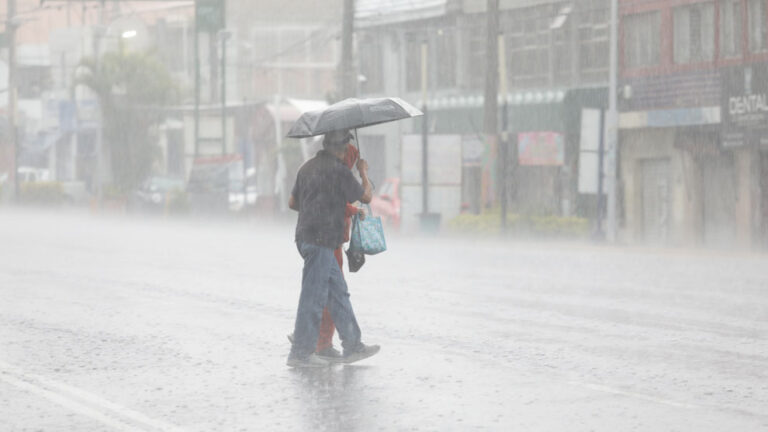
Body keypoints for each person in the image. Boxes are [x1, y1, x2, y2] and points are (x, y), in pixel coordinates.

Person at [286, 130, 380, 367]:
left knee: (338, 293)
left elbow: (292, 203)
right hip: (321, 242)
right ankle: (300, 354)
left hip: (307, 238)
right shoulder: (338, 171)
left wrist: (316, 207)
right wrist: (364, 172)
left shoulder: (306, 168)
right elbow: (366, 197)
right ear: (343, 148)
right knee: (313, 296)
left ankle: (353, 345)